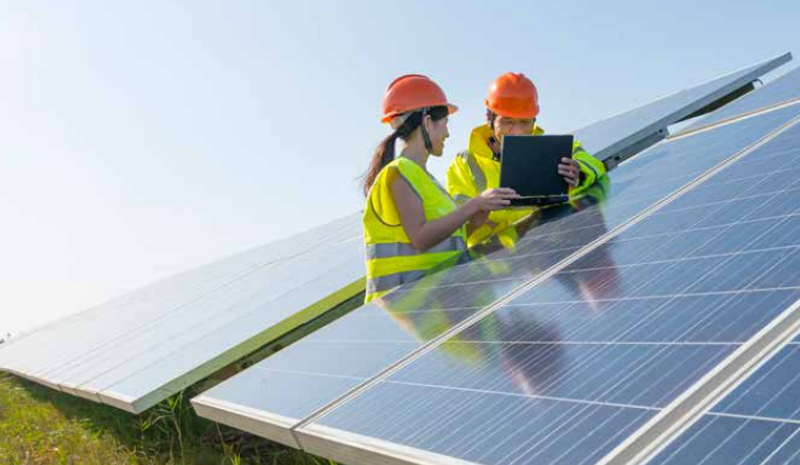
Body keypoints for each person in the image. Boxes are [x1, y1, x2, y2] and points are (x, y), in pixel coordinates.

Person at [362, 74, 518, 302]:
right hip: (402, 313)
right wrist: (474, 204)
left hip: (435, 307)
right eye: (445, 123)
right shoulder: (399, 173)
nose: (447, 133)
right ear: (427, 122)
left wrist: (475, 220)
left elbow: (447, 241)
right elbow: (421, 238)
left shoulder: (428, 181)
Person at [447, 72, 608, 247]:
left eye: (524, 122)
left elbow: (594, 165)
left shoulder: (552, 151)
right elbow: (457, 229)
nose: (517, 131)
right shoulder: (465, 163)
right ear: (490, 119)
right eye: (507, 121)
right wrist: (481, 210)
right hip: (500, 265)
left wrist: (579, 172)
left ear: (534, 120)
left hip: (553, 253)